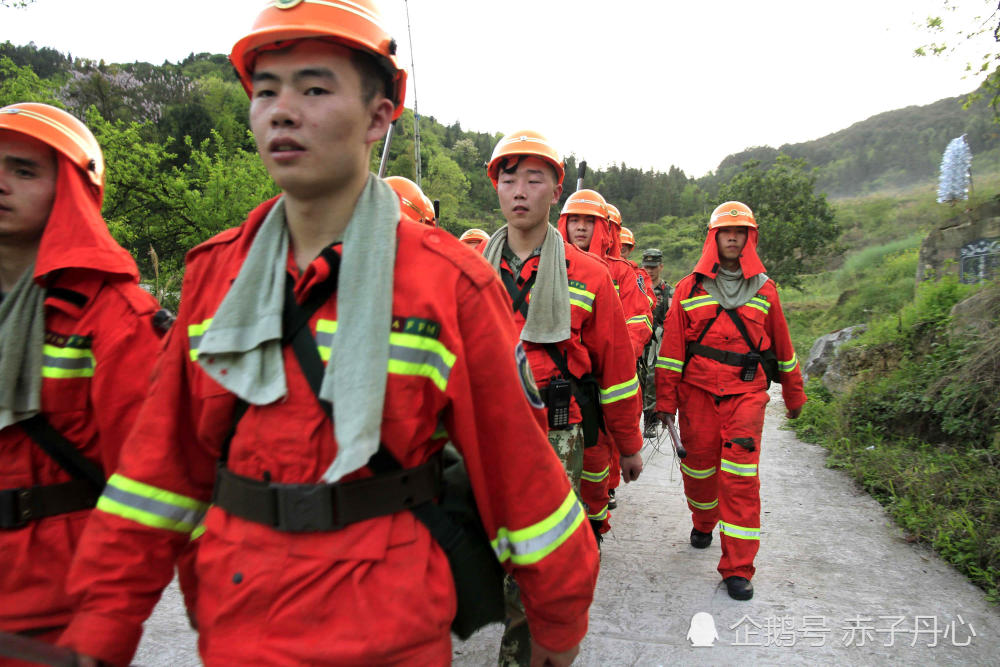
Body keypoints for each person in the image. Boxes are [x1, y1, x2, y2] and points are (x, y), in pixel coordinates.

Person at [58, 3, 599, 665]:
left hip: (388, 628)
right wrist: (100, 627)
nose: (283, 110)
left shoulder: (449, 285)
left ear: (379, 117)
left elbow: (522, 480)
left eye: (314, 88)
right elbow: (157, 475)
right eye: (266, 91)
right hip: (237, 625)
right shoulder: (215, 275)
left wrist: (557, 621)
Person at [0, 103, 163, 647]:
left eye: (23, 170)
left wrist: (107, 620)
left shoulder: (113, 317)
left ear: (70, 190)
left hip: (53, 604)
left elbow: (148, 486)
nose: (1, 183)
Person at [482, 129, 642, 666]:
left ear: (555, 191)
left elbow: (617, 373)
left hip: (556, 431)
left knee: (536, 560)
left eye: (535, 179)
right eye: (510, 178)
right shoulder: (468, 269)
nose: (520, 190)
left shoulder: (591, 276)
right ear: (497, 188)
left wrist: (630, 443)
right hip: (482, 430)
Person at [654, 201, 806, 601]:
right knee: (699, 468)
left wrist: (794, 395)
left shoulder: (766, 290)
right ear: (714, 237)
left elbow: (784, 350)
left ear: (750, 238)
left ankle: (738, 567)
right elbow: (671, 352)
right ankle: (704, 520)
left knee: (740, 479)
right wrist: (664, 402)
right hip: (697, 394)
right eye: (726, 232)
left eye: (740, 232)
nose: (733, 237)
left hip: (747, 396)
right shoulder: (688, 289)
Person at [557, 189, 648, 532]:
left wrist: (618, 352)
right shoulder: (547, 263)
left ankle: (595, 522)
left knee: (597, 465)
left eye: (589, 221)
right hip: (561, 385)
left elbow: (639, 322)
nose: (581, 228)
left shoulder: (622, 273)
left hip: (602, 381)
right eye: (575, 220)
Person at [640, 248, 671, 437]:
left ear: (661, 266)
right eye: (646, 267)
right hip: (637, 341)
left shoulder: (668, 292)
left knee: (652, 379)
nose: (650, 271)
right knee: (637, 380)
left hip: (657, 343)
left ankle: (650, 422)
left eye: (653, 267)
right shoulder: (637, 287)